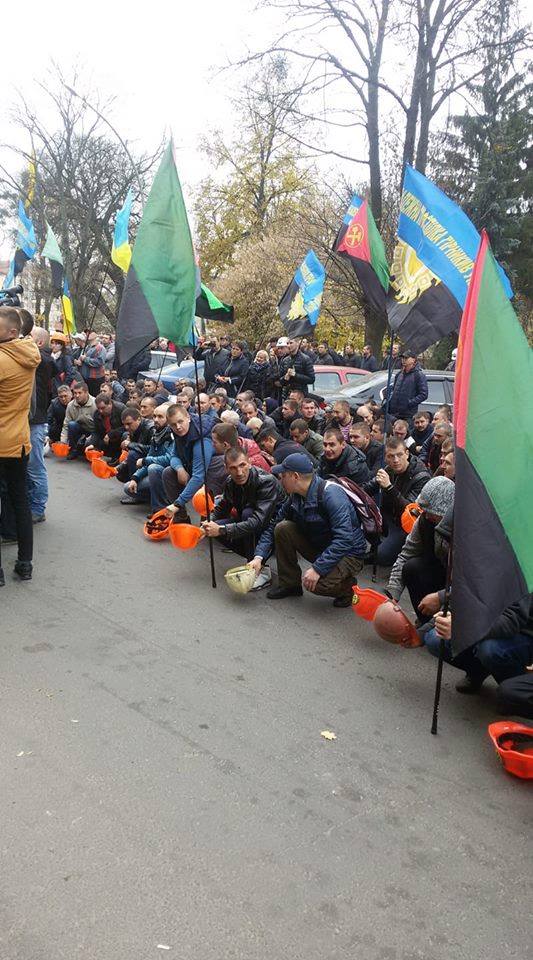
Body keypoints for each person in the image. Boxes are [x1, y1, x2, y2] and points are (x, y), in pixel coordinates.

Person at [249, 453, 367, 607]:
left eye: (283, 476)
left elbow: (344, 539)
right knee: (282, 528)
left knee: (317, 585)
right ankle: (290, 584)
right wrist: (258, 557)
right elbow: (273, 526)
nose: (280, 480)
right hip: (322, 544)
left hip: (349, 553)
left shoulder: (331, 495)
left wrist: (317, 569)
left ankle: (349, 589)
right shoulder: (296, 496)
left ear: (295, 476)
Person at [201, 448, 285, 587]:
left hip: (273, 528)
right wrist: (207, 524)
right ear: (226, 468)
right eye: (233, 468)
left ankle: (260, 569)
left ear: (249, 463)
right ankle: (252, 559)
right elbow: (222, 507)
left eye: (242, 465)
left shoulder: (266, 481)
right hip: (250, 523)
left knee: (245, 515)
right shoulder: (230, 482)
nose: (239, 472)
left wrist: (222, 529)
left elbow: (258, 521)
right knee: (213, 527)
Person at [0, 306, 41, 584]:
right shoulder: (28, 353)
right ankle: (25, 563)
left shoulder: (3, 359)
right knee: (20, 501)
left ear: (12, 331)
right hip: (19, 441)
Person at [424, 595, 533, 696]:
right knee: (435, 638)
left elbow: (511, 621)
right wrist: (421, 632)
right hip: (483, 624)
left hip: (523, 631)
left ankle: (519, 689)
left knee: (489, 649)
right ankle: (478, 671)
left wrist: (464, 628)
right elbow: (463, 595)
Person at [386, 479, 455, 616]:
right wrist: (392, 594)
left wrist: (442, 598)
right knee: (412, 567)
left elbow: (473, 583)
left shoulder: (465, 530)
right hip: (440, 571)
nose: (427, 516)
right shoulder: (424, 520)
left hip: (459, 583)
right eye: (425, 510)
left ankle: (441, 621)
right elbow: (406, 554)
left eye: (432, 512)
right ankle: (424, 619)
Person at [364, 437, 430, 565]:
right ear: (385, 458)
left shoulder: (421, 477)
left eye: (399, 455)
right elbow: (368, 488)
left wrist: (389, 487)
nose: (395, 460)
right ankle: (378, 545)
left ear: (407, 453)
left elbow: (410, 510)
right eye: (391, 456)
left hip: (404, 525)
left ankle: (392, 550)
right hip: (389, 516)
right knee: (361, 513)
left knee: (382, 557)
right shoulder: (389, 469)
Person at [161, 404, 216, 522]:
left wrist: (177, 503)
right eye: (173, 424)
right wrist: (179, 469)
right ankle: (181, 517)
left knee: (208, 477)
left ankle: (207, 519)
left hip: (211, 475)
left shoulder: (203, 439)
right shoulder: (179, 433)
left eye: (180, 421)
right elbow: (174, 455)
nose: (178, 427)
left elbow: (199, 476)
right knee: (168, 472)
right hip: (193, 467)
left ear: (188, 417)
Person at [122, 405, 174, 510]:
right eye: (154, 416)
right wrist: (135, 477)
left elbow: (169, 459)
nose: (156, 419)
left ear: (169, 419)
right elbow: (150, 457)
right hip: (158, 472)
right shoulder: (157, 434)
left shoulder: (172, 434)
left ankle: (160, 508)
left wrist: (145, 460)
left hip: (171, 475)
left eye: (160, 416)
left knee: (153, 468)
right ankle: (157, 498)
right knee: (128, 487)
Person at [27, 327, 53, 523]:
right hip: (29, 420)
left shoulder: (43, 359)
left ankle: (38, 508)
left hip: (36, 422)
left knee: (35, 466)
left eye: (29, 337)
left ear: (40, 343)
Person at [387, 351, 428, 423]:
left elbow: (423, 394)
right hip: (394, 413)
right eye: (402, 358)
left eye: (406, 358)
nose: (403, 360)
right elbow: (394, 390)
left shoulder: (418, 375)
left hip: (407, 415)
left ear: (413, 360)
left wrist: (409, 403)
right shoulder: (399, 374)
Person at [116, 407, 155, 482]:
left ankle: (135, 482)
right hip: (142, 457)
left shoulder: (151, 428)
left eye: (129, 424)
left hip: (153, 460)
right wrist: (116, 469)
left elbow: (153, 449)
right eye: (124, 424)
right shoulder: (134, 429)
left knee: (133, 454)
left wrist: (131, 444)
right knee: (120, 474)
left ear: (139, 419)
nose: (126, 427)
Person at [61, 381, 97, 458]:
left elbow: (99, 427)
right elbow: (66, 424)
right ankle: (74, 450)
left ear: (86, 393)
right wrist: (63, 442)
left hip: (93, 431)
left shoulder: (95, 404)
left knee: (90, 452)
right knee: (71, 425)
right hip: (79, 429)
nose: (77, 396)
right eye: (75, 393)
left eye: (80, 393)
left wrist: (93, 439)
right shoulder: (70, 405)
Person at [85, 394, 126, 462]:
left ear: (110, 404)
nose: (100, 411)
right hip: (105, 438)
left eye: (103, 408)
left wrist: (111, 434)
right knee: (88, 442)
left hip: (118, 436)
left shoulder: (121, 409)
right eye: (98, 408)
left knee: (125, 435)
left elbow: (127, 426)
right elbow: (96, 431)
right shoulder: (97, 413)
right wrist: (92, 444)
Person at [74, 331, 106, 396]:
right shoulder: (88, 347)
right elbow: (82, 357)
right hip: (86, 377)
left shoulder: (100, 348)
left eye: (90, 332)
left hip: (95, 378)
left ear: (95, 335)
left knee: (94, 396)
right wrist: (79, 361)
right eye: (87, 333)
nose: (87, 334)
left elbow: (99, 362)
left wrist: (85, 359)